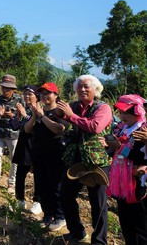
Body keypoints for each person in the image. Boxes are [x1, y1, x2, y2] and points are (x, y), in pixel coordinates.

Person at [56, 75, 112, 244]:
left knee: (98, 203)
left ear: (95, 89)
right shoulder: (75, 106)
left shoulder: (103, 108)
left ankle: (99, 241)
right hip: (76, 158)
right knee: (66, 195)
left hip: (97, 162)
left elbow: (95, 127)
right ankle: (77, 232)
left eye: (86, 86)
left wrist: (71, 116)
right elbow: (62, 116)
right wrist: (60, 111)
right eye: (79, 87)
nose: (82, 90)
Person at [25, 83, 67, 231]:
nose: (44, 95)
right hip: (39, 154)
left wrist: (42, 116)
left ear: (56, 94)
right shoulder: (38, 110)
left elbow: (58, 129)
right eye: (42, 93)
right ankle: (48, 215)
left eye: (48, 93)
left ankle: (60, 216)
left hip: (56, 154)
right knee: (42, 186)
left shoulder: (60, 111)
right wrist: (34, 116)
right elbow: (27, 129)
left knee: (55, 186)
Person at [106, 94, 147, 245]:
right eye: (120, 112)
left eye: (126, 112)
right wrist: (109, 146)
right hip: (122, 182)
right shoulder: (122, 128)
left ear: (138, 111)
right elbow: (114, 152)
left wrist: (119, 147)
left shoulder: (143, 131)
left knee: (140, 227)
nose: (122, 115)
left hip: (138, 185)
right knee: (126, 223)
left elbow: (142, 158)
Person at [10, 85, 41, 215]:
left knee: (39, 175)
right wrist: (18, 115)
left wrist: (25, 116)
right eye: (25, 94)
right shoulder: (23, 108)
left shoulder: (40, 109)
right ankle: (20, 199)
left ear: (36, 97)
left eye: (30, 94)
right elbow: (15, 127)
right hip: (24, 143)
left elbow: (39, 126)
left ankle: (38, 202)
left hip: (37, 144)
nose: (27, 96)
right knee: (20, 174)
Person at [0, 74, 23, 191]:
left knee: (14, 159)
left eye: (8, 88)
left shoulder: (19, 100)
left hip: (14, 135)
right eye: (3, 87)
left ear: (13, 89)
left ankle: (12, 183)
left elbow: (24, 118)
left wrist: (13, 116)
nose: (5, 90)